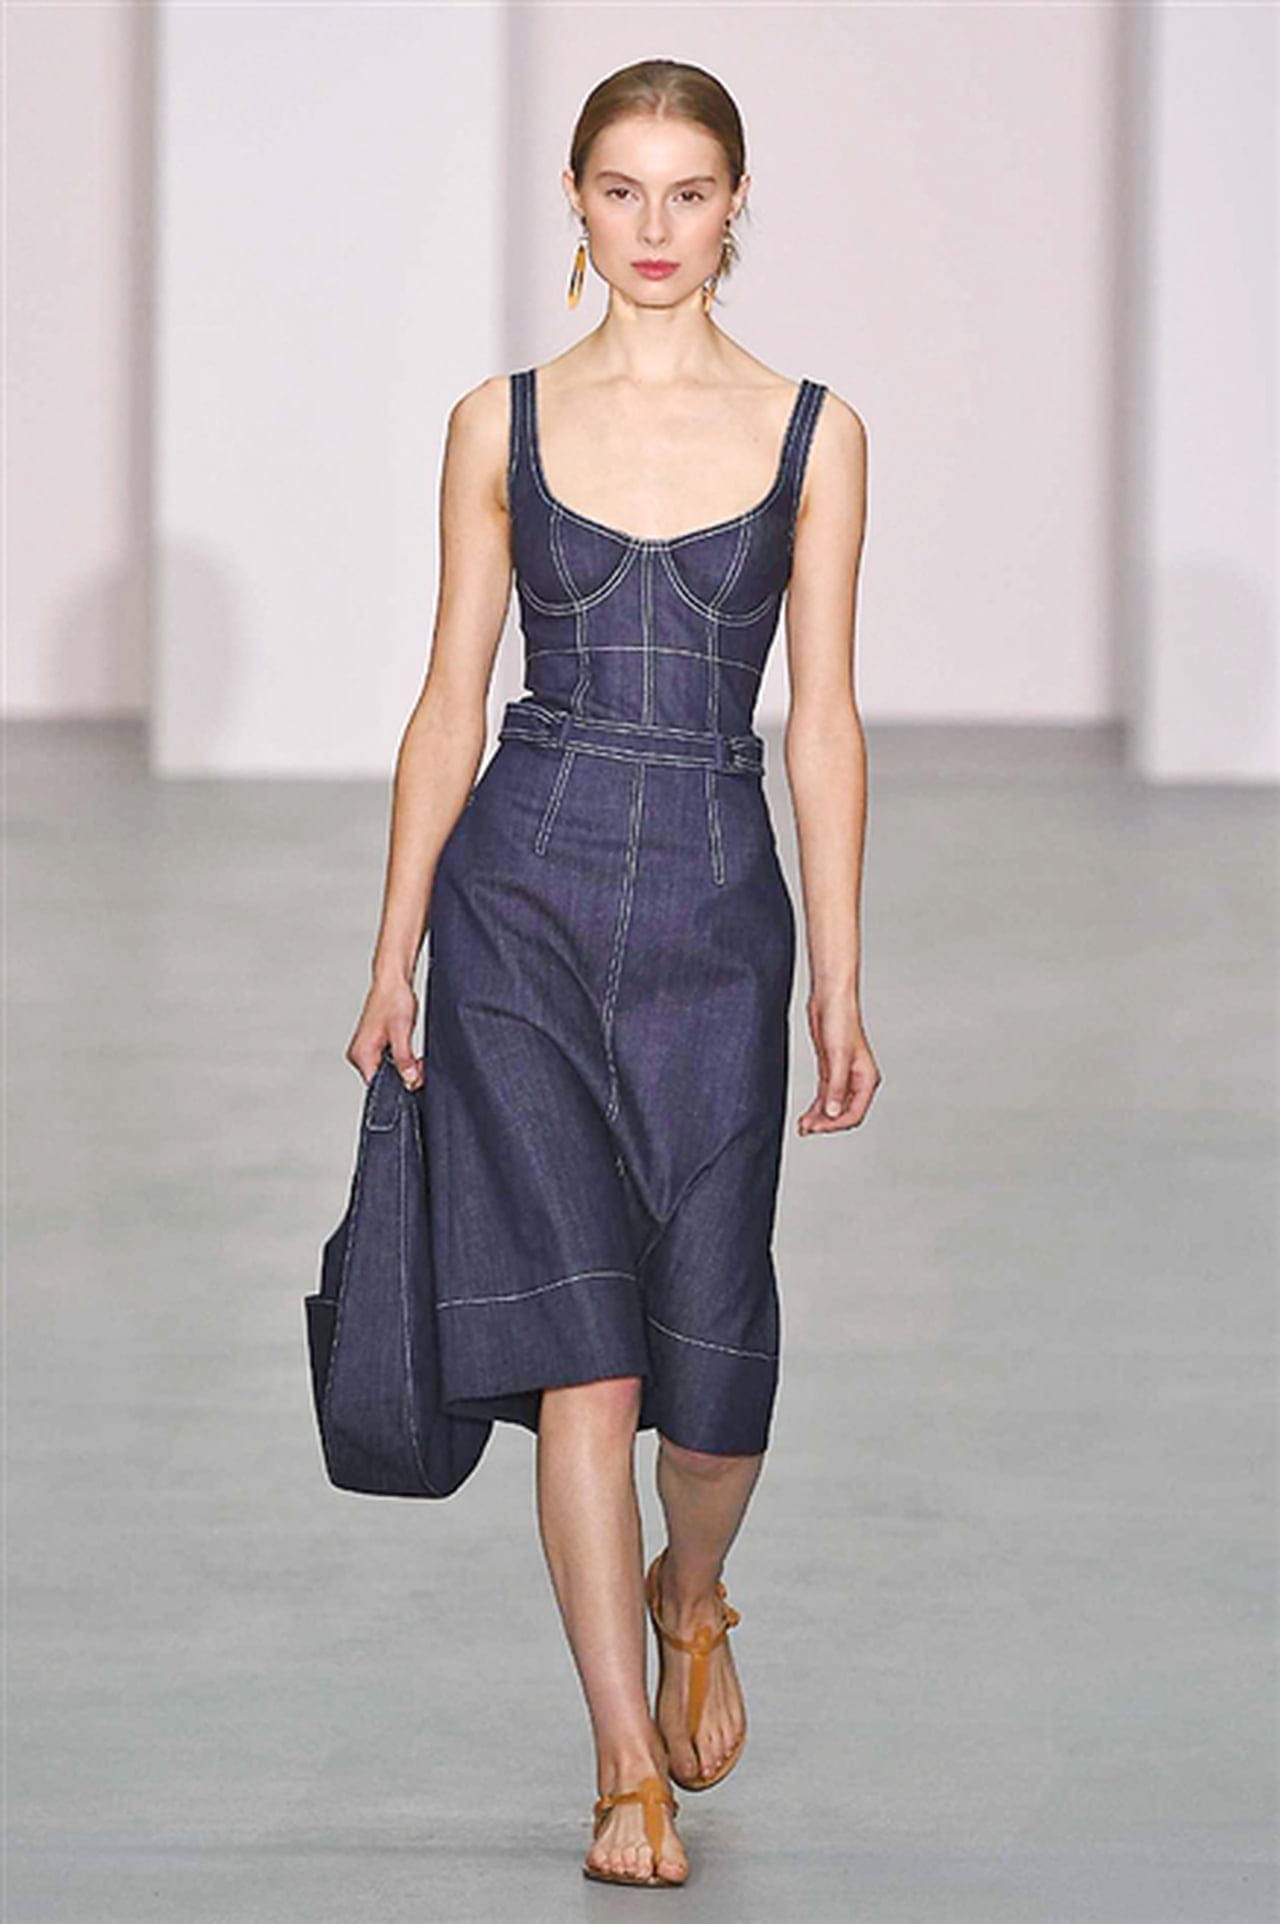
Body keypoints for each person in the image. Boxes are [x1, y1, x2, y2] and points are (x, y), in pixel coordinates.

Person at [346, 57, 878, 1891]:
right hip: (522, 901)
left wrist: (840, 974)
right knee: (582, 1357)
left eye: (691, 191)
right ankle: (621, 1764)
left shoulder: (815, 431)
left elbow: (825, 721)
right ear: (575, 204)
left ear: (737, 209)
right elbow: (449, 699)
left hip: (722, 914)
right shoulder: (497, 424)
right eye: (623, 189)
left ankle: (694, 1592)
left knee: (712, 1375)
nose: (656, 226)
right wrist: (394, 948)